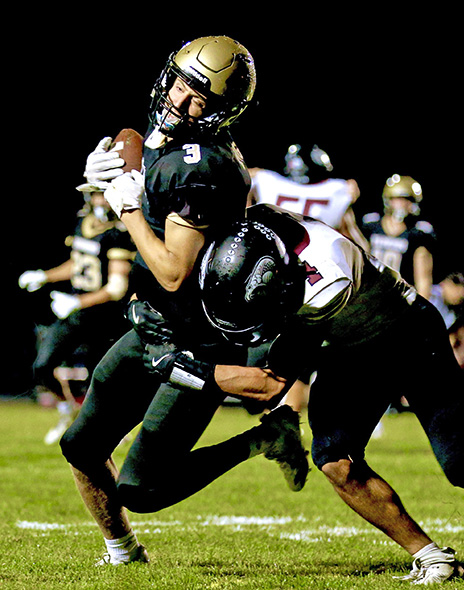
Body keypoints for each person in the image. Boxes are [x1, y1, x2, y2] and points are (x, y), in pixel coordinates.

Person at [154, 203, 464, 583]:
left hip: (407, 338)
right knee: (335, 459)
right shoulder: (255, 230)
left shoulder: (325, 283)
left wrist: (181, 367)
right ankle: (432, 558)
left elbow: (268, 385)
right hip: (353, 343)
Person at [59, 35, 308, 566]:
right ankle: (122, 553)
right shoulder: (166, 143)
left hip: (197, 340)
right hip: (151, 326)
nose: (181, 100)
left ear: (222, 113)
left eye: (201, 98)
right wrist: (99, 188)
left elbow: (173, 272)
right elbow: (147, 215)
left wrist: (122, 205)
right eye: (182, 82)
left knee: (143, 489)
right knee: (80, 445)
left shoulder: (199, 165)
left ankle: (264, 439)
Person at [246, 142, 370, 411]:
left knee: (275, 354)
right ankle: (286, 412)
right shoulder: (338, 192)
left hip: (271, 279)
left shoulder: (265, 182)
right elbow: (360, 247)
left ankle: (276, 408)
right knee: (309, 354)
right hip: (317, 283)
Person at [18, 191, 135, 444]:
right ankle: (66, 412)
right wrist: (44, 276)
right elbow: (78, 264)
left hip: (104, 317)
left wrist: (76, 301)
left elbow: (117, 288)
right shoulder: (83, 223)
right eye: (96, 195)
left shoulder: (119, 232)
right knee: (43, 365)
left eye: (104, 195)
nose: (100, 200)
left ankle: (115, 426)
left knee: (101, 376)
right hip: (77, 312)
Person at [361, 174, 435, 299]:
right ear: (388, 199)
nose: (403, 204)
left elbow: (423, 279)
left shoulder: (416, 234)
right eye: (399, 199)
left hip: (399, 299)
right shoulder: (371, 226)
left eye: (408, 200)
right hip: (370, 293)